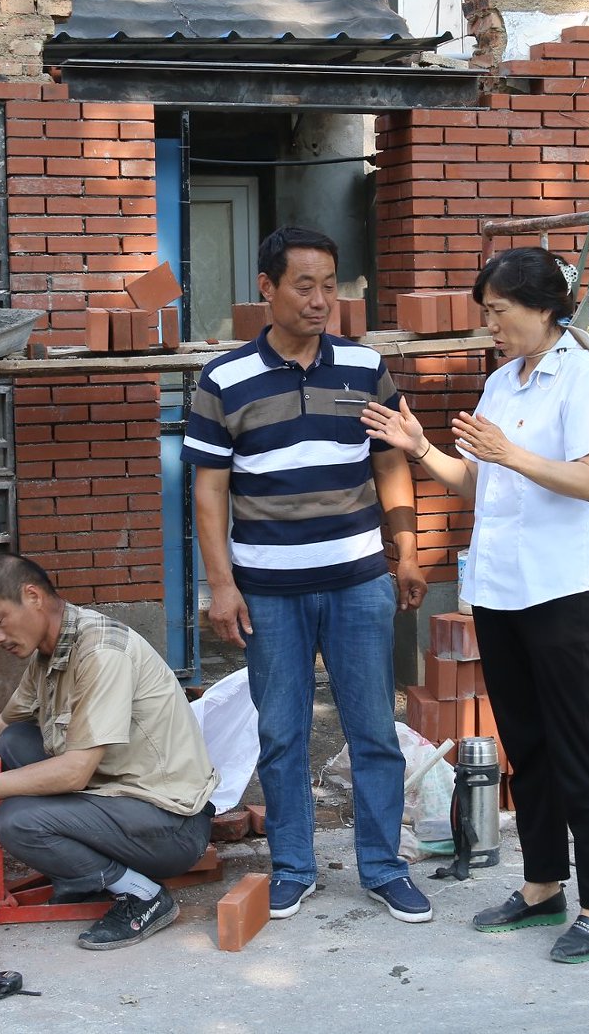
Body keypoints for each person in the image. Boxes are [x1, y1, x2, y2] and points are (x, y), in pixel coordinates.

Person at [361, 246, 589, 963]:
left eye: (498, 311)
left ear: (544, 309)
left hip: (563, 590)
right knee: (527, 744)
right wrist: (421, 447)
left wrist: (510, 453)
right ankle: (543, 886)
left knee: (578, 747)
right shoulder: (501, 383)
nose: (490, 325)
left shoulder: (586, 378)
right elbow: (478, 483)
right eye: (485, 312)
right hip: (500, 590)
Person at [182, 225, 432, 924]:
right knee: (283, 733)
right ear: (267, 288)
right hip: (268, 590)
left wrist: (407, 551)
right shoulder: (224, 379)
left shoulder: (364, 368)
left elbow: (390, 461)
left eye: (329, 286)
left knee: (374, 729)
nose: (320, 301)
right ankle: (293, 866)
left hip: (358, 581)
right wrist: (221, 585)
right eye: (304, 286)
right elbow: (209, 490)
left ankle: (384, 867)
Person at [0, 553, 220, 951]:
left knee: (17, 821)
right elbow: (0, 726)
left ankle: (143, 895)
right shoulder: (51, 653)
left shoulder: (101, 652)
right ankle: (86, 874)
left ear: (32, 597)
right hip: (118, 797)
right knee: (13, 740)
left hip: (170, 825)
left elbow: (74, 773)